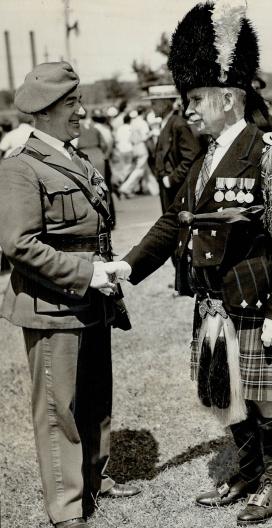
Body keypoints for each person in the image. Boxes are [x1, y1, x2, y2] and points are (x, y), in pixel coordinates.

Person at [105, 2, 272, 525]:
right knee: (230, 396)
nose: (189, 109)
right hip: (215, 303)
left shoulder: (269, 152)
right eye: (186, 99)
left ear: (228, 97)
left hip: (257, 303)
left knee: (266, 400)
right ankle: (246, 472)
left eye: (196, 98)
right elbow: (175, 222)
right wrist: (128, 267)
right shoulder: (205, 157)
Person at [0, 62, 140, 528]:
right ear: (42, 112)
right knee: (60, 410)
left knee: (96, 397)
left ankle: (96, 479)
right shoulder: (20, 167)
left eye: (79, 101)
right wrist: (88, 272)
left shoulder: (74, 157)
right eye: (71, 104)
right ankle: (66, 510)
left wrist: (102, 272)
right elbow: (19, 245)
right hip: (52, 305)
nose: (82, 111)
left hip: (91, 297)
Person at [145, 84, 201, 214]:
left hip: (176, 187)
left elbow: (192, 156)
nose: (151, 107)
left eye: (154, 103)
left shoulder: (178, 124)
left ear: (164, 104)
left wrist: (172, 179)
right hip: (168, 185)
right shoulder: (167, 123)